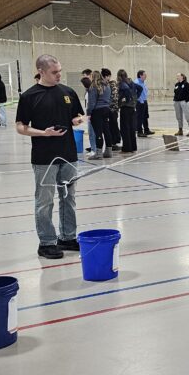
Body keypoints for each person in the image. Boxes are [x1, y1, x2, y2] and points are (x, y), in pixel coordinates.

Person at [15, 54, 85, 259]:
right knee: (45, 201)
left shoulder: (68, 92)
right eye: (54, 72)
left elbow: (75, 117)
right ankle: (46, 242)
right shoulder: (29, 96)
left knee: (68, 198)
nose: (59, 75)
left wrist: (78, 120)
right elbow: (20, 127)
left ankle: (67, 237)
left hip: (68, 154)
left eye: (60, 71)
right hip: (44, 157)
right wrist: (43, 133)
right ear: (41, 71)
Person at [86, 71, 113, 160]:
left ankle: (98, 153)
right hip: (106, 109)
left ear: (92, 77)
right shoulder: (107, 86)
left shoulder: (94, 87)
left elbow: (91, 102)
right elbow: (110, 99)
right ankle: (109, 151)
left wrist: (89, 112)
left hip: (97, 111)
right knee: (106, 130)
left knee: (98, 132)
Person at [117, 69, 138, 154]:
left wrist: (124, 100)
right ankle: (133, 147)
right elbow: (139, 89)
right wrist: (134, 100)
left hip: (125, 108)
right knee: (131, 128)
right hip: (131, 107)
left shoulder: (123, 84)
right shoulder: (130, 82)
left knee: (125, 128)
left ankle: (127, 148)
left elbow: (127, 92)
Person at [102, 68, 122, 151]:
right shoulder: (107, 84)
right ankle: (113, 142)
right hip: (110, 108)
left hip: (112, 109)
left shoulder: (112, 85)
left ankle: (114, 142)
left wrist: (109, 106)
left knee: (113, 126)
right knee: (111, 126)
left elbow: (114, 98)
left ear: (108, 76)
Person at [134, 70, 152, 137]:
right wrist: (140, 100)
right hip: (140, 102)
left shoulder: (143, 82)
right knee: (140, 117)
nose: (146, 76)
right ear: (140, 75)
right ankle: (139, 132)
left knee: (145, 116)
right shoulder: (136, 83)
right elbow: (135, 93)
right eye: (144, 74)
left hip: (144, 101)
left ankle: (146, 130)